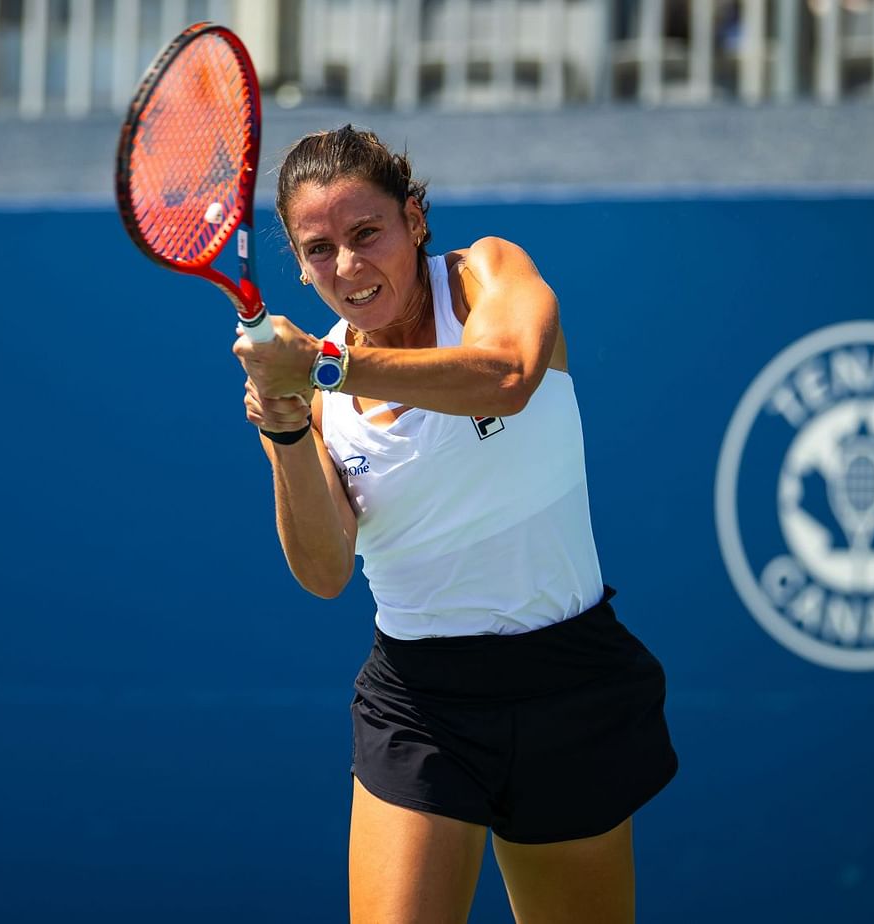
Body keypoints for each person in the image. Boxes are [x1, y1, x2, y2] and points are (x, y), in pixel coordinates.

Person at [232, 125, 677, 924]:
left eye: (367, 233)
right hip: (421, 702)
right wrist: (287, 429)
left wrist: (323, 366)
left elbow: (507, 375)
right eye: (320, 248)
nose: (349, 266)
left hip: (569, 679)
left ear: (415, 219)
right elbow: (326, 571)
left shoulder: (486, 276)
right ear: (298, 265)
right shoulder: (317, 387)